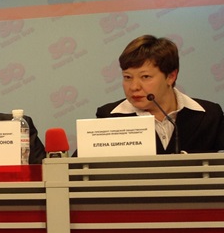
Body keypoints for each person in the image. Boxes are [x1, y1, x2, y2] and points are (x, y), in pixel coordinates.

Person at [96, 35, 224, 154]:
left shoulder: (210, 116)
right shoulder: (109, 117)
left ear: (171, 76)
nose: (134, 87)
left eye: (145, 77)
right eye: (127, 77)